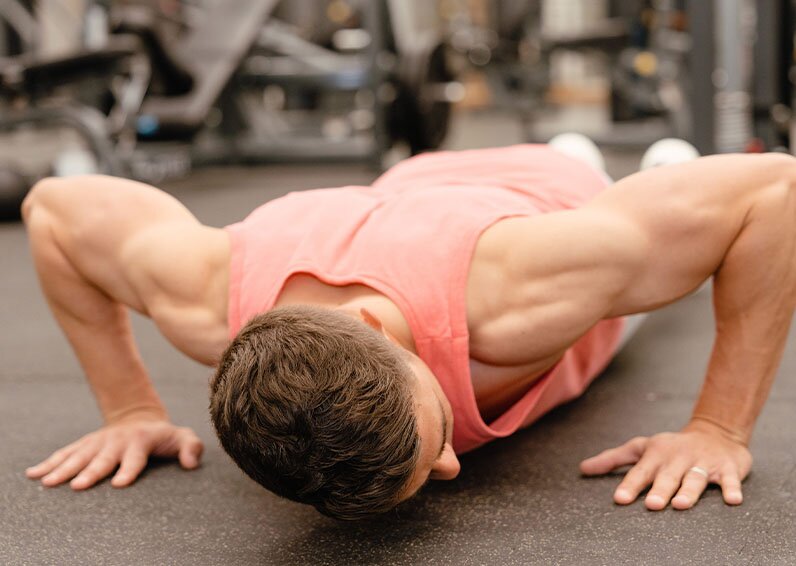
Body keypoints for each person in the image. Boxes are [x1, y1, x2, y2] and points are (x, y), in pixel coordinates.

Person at [20, 144, 795, 521]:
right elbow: (53, 209)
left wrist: (718, 427)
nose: (455, 461)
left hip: (541, 197)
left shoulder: (528, 289)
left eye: (436, 439)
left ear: (371, 328)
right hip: (413, 182)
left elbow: (774, 190)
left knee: (650, 251)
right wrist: (130, 409)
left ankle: (648, 161)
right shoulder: (203, 298)